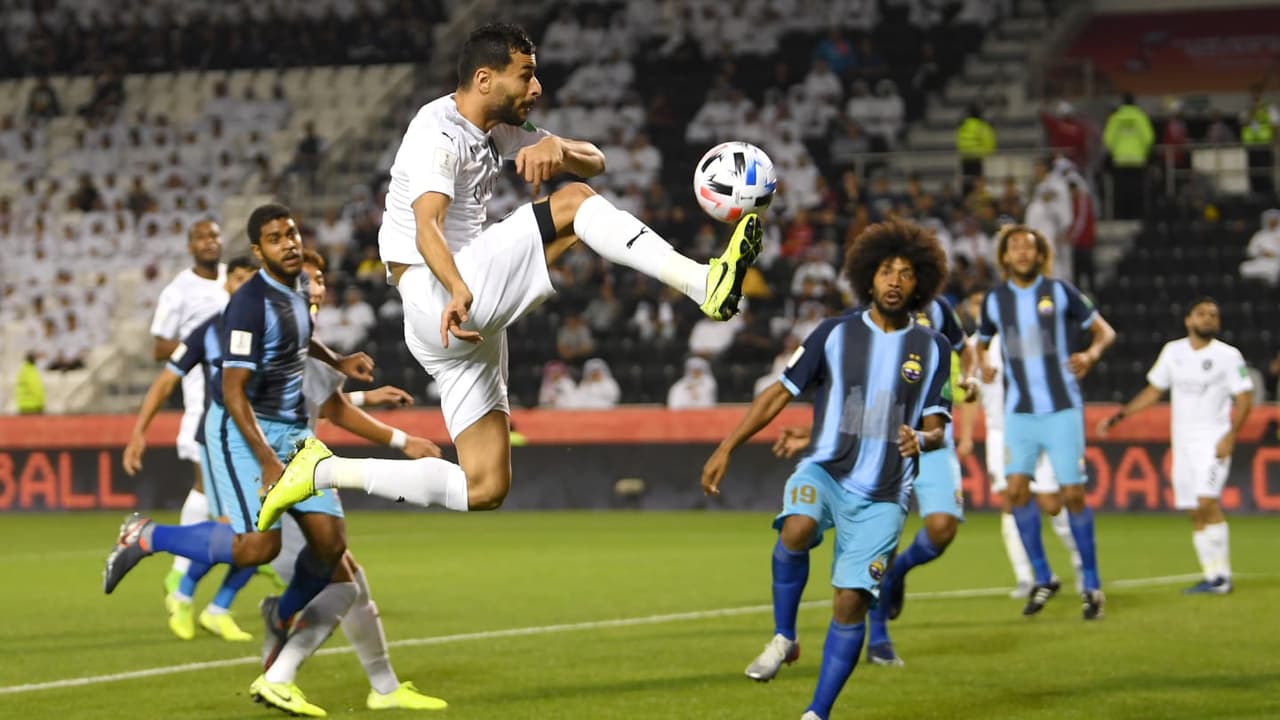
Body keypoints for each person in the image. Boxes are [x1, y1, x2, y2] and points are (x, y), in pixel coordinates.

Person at [254, 23, 763, 525]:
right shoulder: (437, 133)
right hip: (444, 293)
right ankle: (703, 283)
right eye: (525, 75)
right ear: (484, 80)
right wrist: (456, 288)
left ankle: (321, 470)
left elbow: (598, 161)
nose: (536, 87)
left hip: (448, 321)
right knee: (574, 205)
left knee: (485, 485)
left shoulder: (496, 129)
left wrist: (558, 149)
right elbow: (427, 225)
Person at [102, 204, 442, 716]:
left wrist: (338, 361)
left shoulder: (298, 286)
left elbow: (302, 339)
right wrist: (265, 459)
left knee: (331, 544)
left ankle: (281, 618)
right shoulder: (245, 305)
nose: (288, 242)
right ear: (258, 251)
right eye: (274, 238)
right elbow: (234, 391)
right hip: (248, 433)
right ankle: (145, 536)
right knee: (257, 547)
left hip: (297, 436)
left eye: (292, 233)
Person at [703, 219, 952, 720]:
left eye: (905, 273)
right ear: (868, 278)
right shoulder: (833, 333)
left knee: (849, 604)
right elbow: (778, 392)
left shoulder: (933, 349)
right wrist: (728, 445)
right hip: (826, 470)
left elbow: (937, 428)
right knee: (796, 528)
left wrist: (920, 438)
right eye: (886, 271)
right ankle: (784, 637)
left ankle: (817, 712)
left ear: (919, 283)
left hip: (884, 492)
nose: (895, 281)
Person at [970, 225, 1116, 619]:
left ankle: (1092, 584)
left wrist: (1090, 355)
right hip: (1019, 413)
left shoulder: (1060, 291)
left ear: (1039, 255)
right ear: (1004, 256)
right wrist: (982, 363)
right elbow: (981, 342)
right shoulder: (995, 300)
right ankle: (1042, 577)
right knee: (1016, 491)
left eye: (1028, 247)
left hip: (1062, 409)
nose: (1021, 252)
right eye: (1014, 246)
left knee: (1071, 496)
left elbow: (1105, 332)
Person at [123, 256, 261, 642]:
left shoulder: (273, 326)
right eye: (239, 278)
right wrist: (139, 432)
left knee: (267, 533)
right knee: (239, 531)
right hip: (220, 440)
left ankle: (214, 607)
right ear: (227, 285)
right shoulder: (209, 331)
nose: (246, 285)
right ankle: (184, 594)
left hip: (262, 438)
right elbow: (166, 381)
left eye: (253, 279)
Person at [1099, 298, 1253, 594]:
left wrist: (1231, 434)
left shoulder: (1229, 356)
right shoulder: (1173, 352)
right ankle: (1211, 575)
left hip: (1213, 439)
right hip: (1181, 442)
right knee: (1194, 510)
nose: (1209, 318)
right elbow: (1154, 390)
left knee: (1207, 502)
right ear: (1188, 320)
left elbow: (1245, 397)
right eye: (1202, 314)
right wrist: (1119, 416)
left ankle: (1224, 577)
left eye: (1214, 315)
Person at [960, 288, 1082, 599]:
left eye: (982, 303)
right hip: (1000, 433)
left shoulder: (1022, 336)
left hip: (1034, 424)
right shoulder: (972, 349)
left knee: (1051, 502)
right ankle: (1029, 577)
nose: (979, 309)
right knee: (1009, 503)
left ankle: (1081, 563)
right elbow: (970, 397)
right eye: (974, 304)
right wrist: (965, 436)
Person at [148, 218, 228, 597]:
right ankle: (179, 573)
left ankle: (255, 562)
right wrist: (201, 343)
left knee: (225, 492)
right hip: (203, 398)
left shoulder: (236, 278)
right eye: (200, 237)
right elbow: (159, 346)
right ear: (190, 246)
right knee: (205, 487)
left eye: (213, 235)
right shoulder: (179, 290)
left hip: (244, 396)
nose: (209, 242)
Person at [1102, 93, 1154, 219]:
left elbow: (1107, 139)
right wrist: (1141, 151)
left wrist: (1117, 151)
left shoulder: (1116, 118)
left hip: (1120, 161)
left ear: (1122, 103)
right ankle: (1137, 216)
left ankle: (1121, 216)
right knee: (1137, 191)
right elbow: (1149, 138)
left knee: (1120, 192)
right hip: (1137, 161)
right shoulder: (1140, 117)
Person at [955, 103, 995, 193]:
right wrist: (986, 152)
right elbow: (989, 143)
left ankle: (967, 198)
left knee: (967, 183)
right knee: (978, 181)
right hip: (978, 158)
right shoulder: (982, 126)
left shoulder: (963, 125)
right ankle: (977, 195)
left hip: (965, 158)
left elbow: (958, 141)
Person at [1239, 209, 1280, 286]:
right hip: (1261, 261)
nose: (1272, 222)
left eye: (1274, 220)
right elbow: (1251, 251)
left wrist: (1273, 254)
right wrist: (1261, 253)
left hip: (1276, 262)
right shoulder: (1259, 235)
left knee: (1275, 270)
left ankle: (1271, 291)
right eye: (1270, 220)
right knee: (1244, 267)